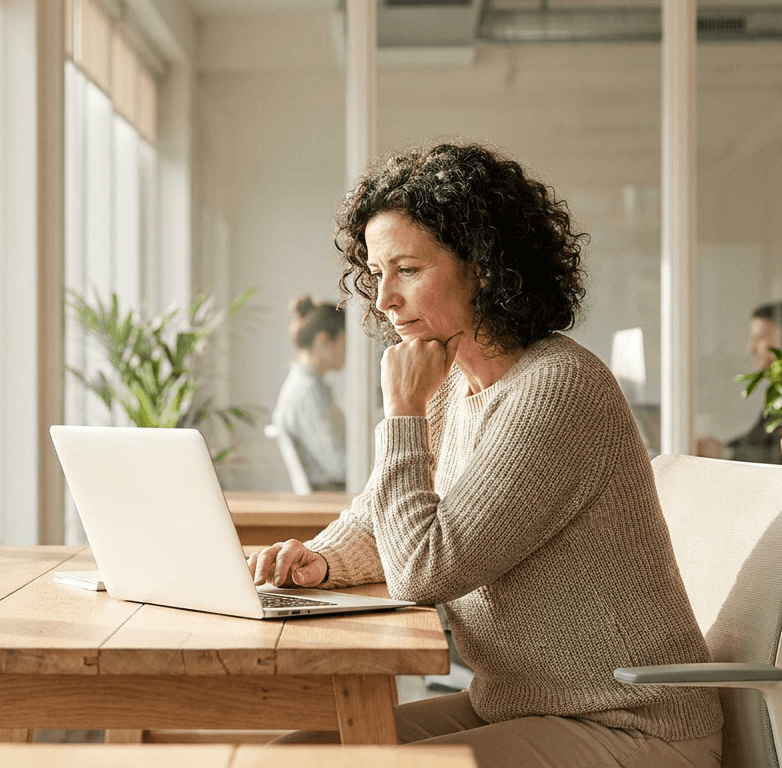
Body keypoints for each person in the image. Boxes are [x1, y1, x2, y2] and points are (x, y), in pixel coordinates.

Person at [248, 143, 722, 768]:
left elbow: (424, 569)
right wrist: (321, 561)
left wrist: (402, 413)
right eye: (377, 272)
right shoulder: (452, 386)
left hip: (629, 723)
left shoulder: (557, 389)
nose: (384, 297)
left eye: (408, 270)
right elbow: (378, 520)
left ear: (484, 267)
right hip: (517, 704)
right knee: (291, 757)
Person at [700, 300, 782, 464]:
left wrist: (724, 453)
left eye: (759, 338)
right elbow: (759, 439)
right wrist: (722, 449)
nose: (751, 348)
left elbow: (777, 455)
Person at [271, 296, 348, 491]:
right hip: (330, 497)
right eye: (345, 340)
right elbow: (340, 466)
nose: (349, 350)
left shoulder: (310, 386)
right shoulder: (307, 392)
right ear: (324, 340)